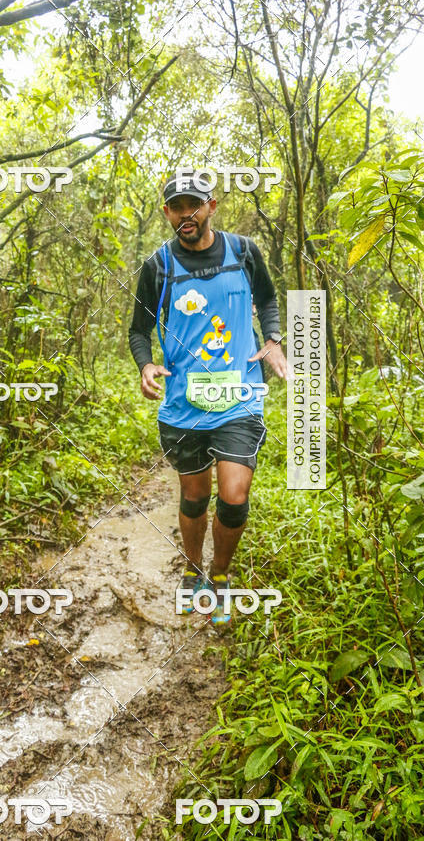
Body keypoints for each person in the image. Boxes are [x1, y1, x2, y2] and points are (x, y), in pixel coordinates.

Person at [128, 172, 287, 628]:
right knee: (194, 497)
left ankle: (219, 578)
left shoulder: (243, 251)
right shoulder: (158, 266)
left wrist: (273, 339)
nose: (186, 215)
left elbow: (268, 299)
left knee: (234, 497)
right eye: (177, 208)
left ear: (211, 206)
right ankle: (192, 568)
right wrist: (145, 364)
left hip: (240, 394)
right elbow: (139, 329)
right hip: (184, 402)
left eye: (194, 205)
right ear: (167, 214)